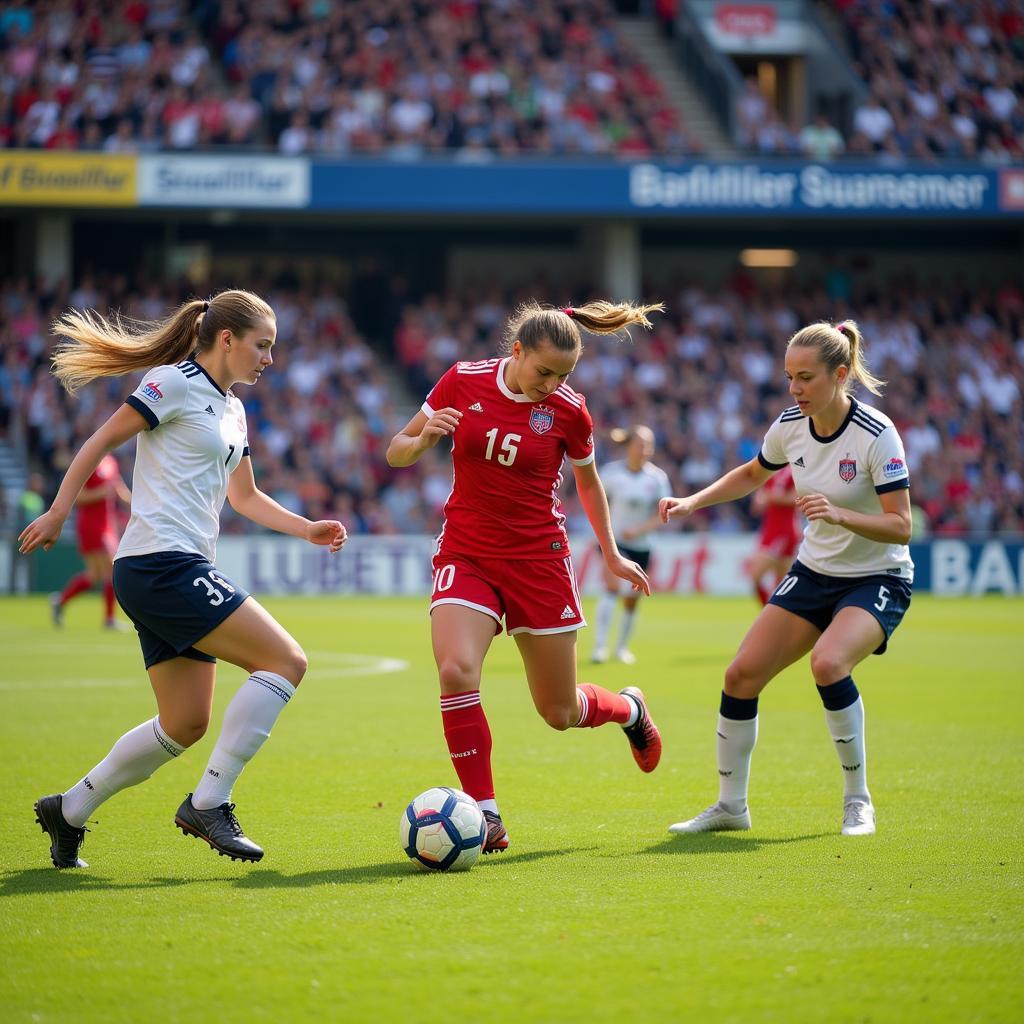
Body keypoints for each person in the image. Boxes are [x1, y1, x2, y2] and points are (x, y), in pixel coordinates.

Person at [19, 290, 347, 869]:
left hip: (172, 569)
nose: (270, 358)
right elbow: (99, 441)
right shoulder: (172, 382)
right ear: (227, 339)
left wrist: (305, 529)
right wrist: (58, 510)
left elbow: (244, 497)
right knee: (286, 662)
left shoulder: (233, 409)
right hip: (159, 564)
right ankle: (210, 802)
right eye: (262, 345)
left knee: (185, 723)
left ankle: (67, 810)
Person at [386, 300, 665, 852]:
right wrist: (422, 441)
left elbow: (588, 485)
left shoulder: (570, 410)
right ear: (516, 352)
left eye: (564, 375)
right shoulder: (461, 381)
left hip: (539, 561)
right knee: (456, 670)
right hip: (467, 552)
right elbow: (397, 450)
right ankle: (485, 814)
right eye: (545, 372)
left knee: (559, 713)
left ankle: (629, 709)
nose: (553, 384)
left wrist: (609, 553)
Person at [660, 320, 912, 838]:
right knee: (739, 677)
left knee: (828, 663)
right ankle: (731, 807)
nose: (794, 389)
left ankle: (858, 800)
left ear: (840, 374)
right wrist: (694, 500)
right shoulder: (791, 422)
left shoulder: (877, 433)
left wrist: (842, 516)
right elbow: (754, 472)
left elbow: (901, 527)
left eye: (806, 378)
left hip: (876, 576)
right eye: (788, 377)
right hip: (813, 572)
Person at [590, 425, 671, 664]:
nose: (645, 449)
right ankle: (600, 647)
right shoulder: (611, 474)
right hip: (614, 542)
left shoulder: (657, 478)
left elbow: (663, 514)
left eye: (649, 445)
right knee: (612, 588)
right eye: (641, 444)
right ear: (629, 446)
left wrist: (638, 529)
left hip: (642, 545)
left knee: (632, 599)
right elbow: (595, 501)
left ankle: (622, 648)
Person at [49, 452, 131, 629]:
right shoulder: (89, 460)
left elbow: (118, 489)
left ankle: (60, 601)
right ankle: (109, 620)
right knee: (111, 570)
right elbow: (78, 497)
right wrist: (102, 492)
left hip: (107, 525)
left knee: (94, 574)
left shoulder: (110, 461)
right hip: (91, 525)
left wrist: (137, 504)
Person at [747, 462, 800, 605]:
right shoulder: (771, 470)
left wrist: (770, 497)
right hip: (769, 529)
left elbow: (797, 498)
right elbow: (757, 504)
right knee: (782, 583)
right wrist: (760, 500)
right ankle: (774, 616)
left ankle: (770, 613)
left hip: (784, 531)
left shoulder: (795, 470)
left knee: (757, 576)